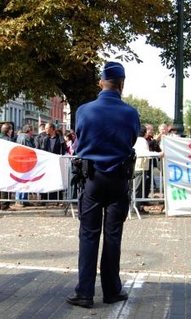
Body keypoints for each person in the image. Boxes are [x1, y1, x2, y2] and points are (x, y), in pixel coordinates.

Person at [66, 61, 140, 308]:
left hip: (93, 179)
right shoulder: (130, 113)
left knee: (88, 235)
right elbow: (131, 139)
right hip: (118, 179)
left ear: (101, 83)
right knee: (112, 237)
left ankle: (85, 292)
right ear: (122, 85)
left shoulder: (84, 110)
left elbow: (80, 138)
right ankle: (111, 290)